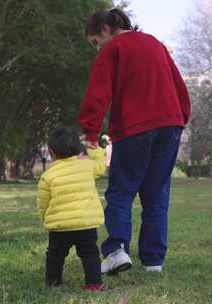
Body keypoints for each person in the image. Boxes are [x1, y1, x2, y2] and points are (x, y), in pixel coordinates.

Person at [78, 8, 191, 275]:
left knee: (121, 191)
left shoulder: (112, 50)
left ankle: (116, 250)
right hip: (170, 125)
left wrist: (89, 134)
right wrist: (180, 119)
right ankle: (153, 261)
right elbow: (179, 86)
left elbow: (98, 94)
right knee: (157, 193)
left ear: (105, 29)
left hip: (134, 127)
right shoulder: (155, 44)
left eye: (95, 42)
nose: (97, 49)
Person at [37, 127, 107, 291]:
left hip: (60, 227)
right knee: (90, 253)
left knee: (55, 255)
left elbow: (43, 203)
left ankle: (53, 283)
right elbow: (101, 166)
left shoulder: (48, 175)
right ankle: (94, 283)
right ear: (78, 148)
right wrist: (94, 150)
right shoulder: (87, 166)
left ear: (51, 152)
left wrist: (45, 219)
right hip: (86, 224)